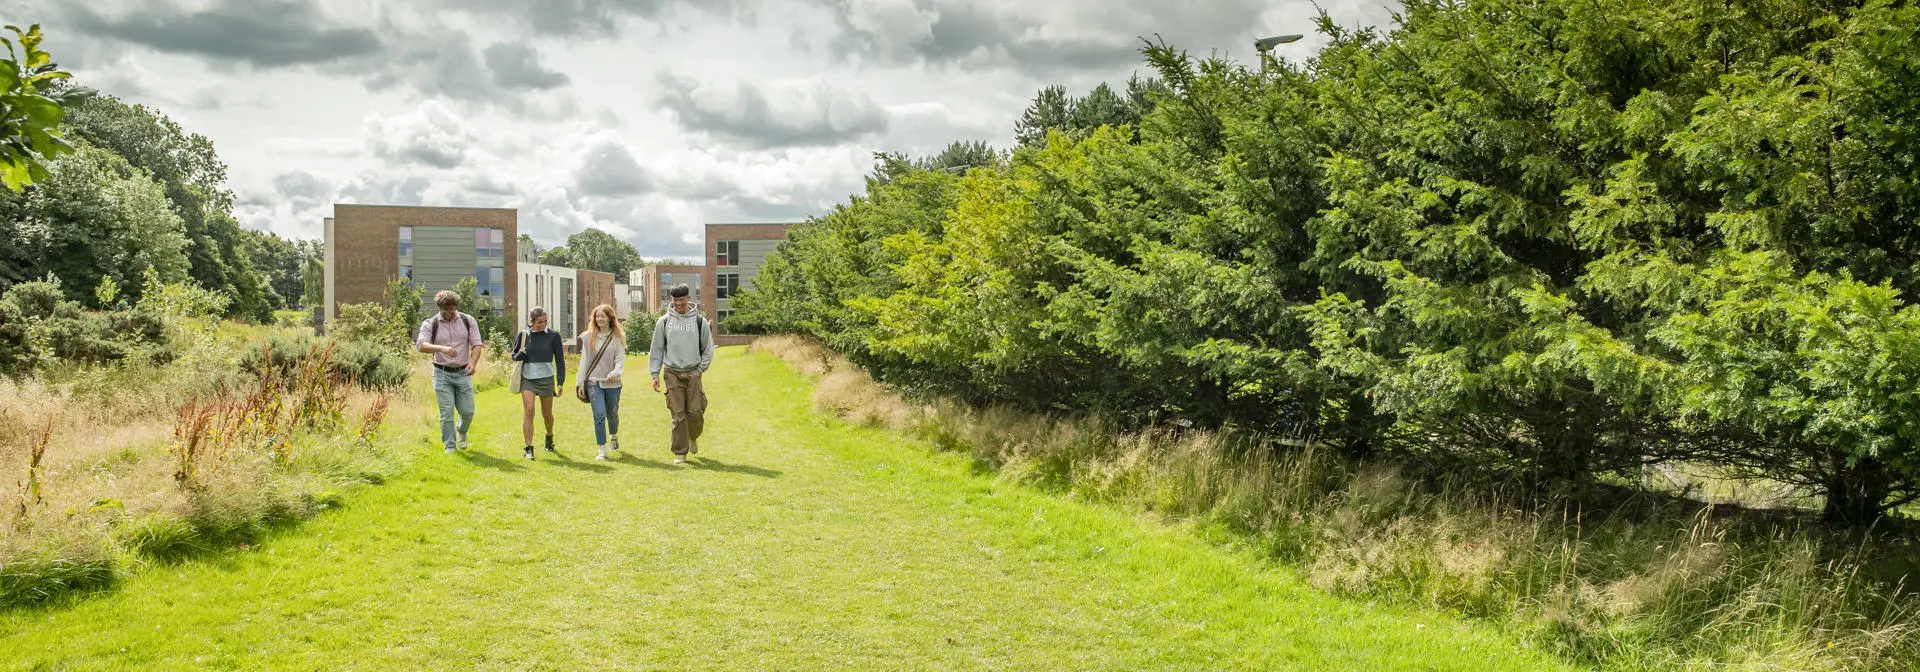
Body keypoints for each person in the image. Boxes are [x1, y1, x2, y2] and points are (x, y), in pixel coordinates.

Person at [649, 284, 714, 464]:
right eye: (674, 300)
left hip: (693, 371)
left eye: (681, 299)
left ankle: (693, 436)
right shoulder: (663, 322)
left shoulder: (699, 322)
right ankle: (680, 452)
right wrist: (655, 374)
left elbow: (708, 349)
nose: (678, 303)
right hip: (672, 372)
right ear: (671, 300)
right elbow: (657, 349)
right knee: (678, 414)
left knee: (695, 412)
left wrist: (700, 369)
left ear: (688, 299)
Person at [416, 290, 486, 454]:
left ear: (455, 307)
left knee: (468, 411)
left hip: (463, 372)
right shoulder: (430, 323)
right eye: (445, 310)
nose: (448, 313)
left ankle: (461, 430)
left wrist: (473, 363)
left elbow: (477, 344)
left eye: (452, 310)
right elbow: (420, 345)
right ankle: (450, 446)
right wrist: (441, 348)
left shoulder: (467, 320)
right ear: (439, 308)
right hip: (441, 373)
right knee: (446, 412)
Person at [511, 307, 566, 461]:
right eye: (539, 322)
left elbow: (560, 360)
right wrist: (521, 354)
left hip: (546, 378)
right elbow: (514, 356)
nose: (543, 325)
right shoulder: (523, 335)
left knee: (547, 414)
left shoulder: (553, 336)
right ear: (532, 322)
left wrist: (560, 382)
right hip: (527, 379)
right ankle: (528, 448)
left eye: (545, 322)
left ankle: (549, 436)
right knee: (529, 410)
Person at [578, 304, 627, 460]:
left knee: (611, 414)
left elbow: (620, 359)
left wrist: (616, 372)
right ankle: (602, 449)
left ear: (610, 318)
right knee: (598, 415)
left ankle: (613, 435)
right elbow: (584, 361)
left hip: (612, 382)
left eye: (602, 316)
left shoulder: (617, 337)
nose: (599, 319)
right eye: (597, 316)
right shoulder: (587, 337)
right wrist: (580, 383)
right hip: (594, 382)